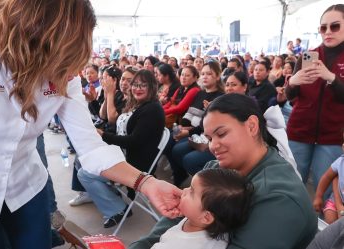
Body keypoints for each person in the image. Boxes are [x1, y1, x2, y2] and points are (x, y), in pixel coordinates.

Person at [0, 1, 182, 249]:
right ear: (34, 38)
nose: (69, 74)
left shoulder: (64, 70)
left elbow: (90, 146)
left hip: (26, 188)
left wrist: (146, 183)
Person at [129, 94, 317, 249]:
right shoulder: (216, 169)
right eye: (209, 138)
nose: (213, 146)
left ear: (252, 126)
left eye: (221, 134)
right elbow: (175, 221)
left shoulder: (278, 197)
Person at [78, 69, 165, 228]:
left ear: (152, 87)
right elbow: (112, 122)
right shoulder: (138, 104)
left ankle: (117, 209)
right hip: (123, 153)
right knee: (82, 158)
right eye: (135, 85)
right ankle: (112, 197)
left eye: (143, 85)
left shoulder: (152, 109)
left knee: (85, 172)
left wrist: (103, 135)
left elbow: (133, 141)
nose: (137, 88)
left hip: (134, 163)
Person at [286, 4, 344, 190]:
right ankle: (292, 219)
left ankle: (321, 221)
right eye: (322, 27)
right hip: (299, 131)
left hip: (332, 136)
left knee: (325, 191)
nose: (327, 32)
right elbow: (290, 96)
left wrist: (331, 78)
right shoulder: (307, 56)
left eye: (334, 26)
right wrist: (293, 82)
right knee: (292, 185)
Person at [151, 168, 254, 249]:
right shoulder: (201, 220)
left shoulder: (187, 245)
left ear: (206, 217)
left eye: (191, 191)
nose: (185, 190)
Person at [313, 130, 344, 224]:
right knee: (330, 219)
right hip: (335, 201)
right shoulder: (340, 161)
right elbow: (327, 177)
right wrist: (318, 196)